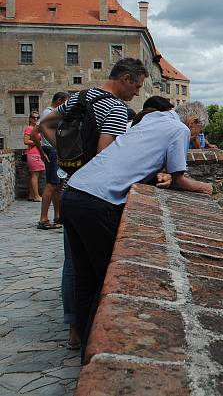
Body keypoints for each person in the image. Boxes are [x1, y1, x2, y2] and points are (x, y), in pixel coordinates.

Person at [60, 100, 212, 358]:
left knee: (85, 277)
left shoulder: (154, 119)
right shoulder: (180, 130)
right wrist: (206, 188)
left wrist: (157, 173)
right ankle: (102, 349)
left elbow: (139, 155)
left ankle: (86, 345)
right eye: (199, 131)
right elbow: (179, 179)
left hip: (75, 190)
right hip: (98, 201)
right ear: (193, 122)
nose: (196, 136)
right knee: (108, 276)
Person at [39, 58, 149, 354]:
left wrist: (65, 157)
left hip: (71, 184)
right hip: (93, 193)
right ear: (125, 78)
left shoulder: (82, 96)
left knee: (72, 259)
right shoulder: (114, 107)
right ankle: (92, 329)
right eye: (136, 86)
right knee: (90, 263)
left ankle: (74, 327)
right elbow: (105, 155)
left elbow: (44, 124)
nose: (137, 93)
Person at [33, 92, 70, 229]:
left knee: (58, 185)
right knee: (51, 184)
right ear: (59, 101)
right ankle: (43, 219)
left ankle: (58, 216)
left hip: (56, 151)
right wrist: (42, 152)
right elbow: (33, 134)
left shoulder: (51, 113)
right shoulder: (48, 113)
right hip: (52, 150)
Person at [23, 112, 46, 204]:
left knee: (35, 175)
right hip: (33, 154)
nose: (36, 119)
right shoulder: (29, 128)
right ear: (30, 119)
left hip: (36, 153)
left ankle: (31, 195)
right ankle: (36, 196)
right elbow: (26, 141)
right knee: (35, 175)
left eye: (37, 118)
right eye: (34, 117)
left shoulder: (36, 128)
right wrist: (38, 142)